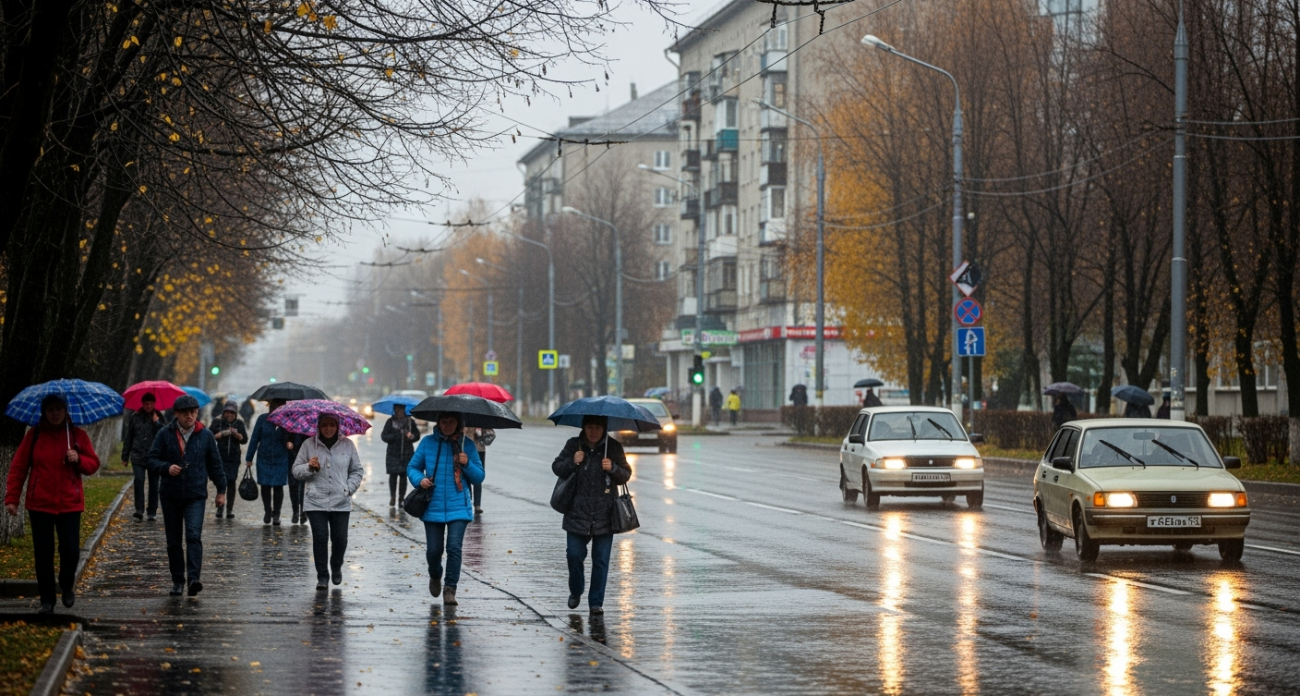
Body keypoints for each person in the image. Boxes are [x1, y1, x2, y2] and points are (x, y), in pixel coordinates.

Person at [4, 395, 101, 614]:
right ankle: (46, 600)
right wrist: (12, 499)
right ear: (43, 412)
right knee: (43, 553)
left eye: (59, 409)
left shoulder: (77, 436)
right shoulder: (34, 436)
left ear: (66, 411)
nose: (55, 413)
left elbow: (93, 464)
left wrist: (79, 459)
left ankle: (67, 585)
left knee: (70, 550)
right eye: (50, 410)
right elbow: (18, 468)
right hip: (40, 504)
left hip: (70, 504)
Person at [146, 394, 225, 597]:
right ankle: (177, 581)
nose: (190, 416)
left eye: (193, 412)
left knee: (193, 535)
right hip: (170, 495)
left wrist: (221, 491)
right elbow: (151, 459)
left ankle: (193, 579)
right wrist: (166, 467)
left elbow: (215, 465)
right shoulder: (165, 434)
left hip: (196, 494)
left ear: (197, 413)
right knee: (173, 540)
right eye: (185, 413)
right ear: (177, 414)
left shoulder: (205, 435)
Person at [551, 415, 631, 615]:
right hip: (577, 513)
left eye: (597, 427)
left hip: (605, 513)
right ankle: (576, 590)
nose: (593, 431)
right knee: (574, 555)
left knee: (601, 560)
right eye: (589, 427)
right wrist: (572, 461)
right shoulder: (573, 445)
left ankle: (596, 602)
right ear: (583, 427)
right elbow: (557, 467)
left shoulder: (613, 447)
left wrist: (612, 467)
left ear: (604, 429)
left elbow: (626, 474)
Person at [408, 413, 483, 606]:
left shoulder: (468, 446)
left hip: (459, 506)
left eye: (451, 422)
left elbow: (479, 478)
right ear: (438, 423)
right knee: (434, 551)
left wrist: (466, 464)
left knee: (454, 548)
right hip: (432, 505)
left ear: (458, 423)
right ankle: (435, 575)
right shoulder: (427, 443)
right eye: (444, 422)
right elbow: (413, 467)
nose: (447, 425)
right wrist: (420, 480)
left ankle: (450, 588)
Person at [293, 414, 364, 590]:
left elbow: (357, 470)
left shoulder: (347, 445)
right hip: (315, 500)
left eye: (332, 425)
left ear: (338, 426)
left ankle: (336, 565)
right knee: (320, 538)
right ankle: (322, 576)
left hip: (340, 501)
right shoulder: (309, 445)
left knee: (340, 539)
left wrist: (348, 488)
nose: (328, 429)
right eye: (325, 425)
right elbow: (296, 471)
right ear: (319, 426)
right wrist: (309, 467)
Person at [244, 399, 294, 525]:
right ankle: (267, 511)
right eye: (274, 406)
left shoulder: (287, 421)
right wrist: (249, 458)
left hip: (281, 457)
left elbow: (293, 436)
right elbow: (255, 438)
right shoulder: (262, 419)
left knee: (278, 486)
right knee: (265, 486)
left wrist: (290, 442)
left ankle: (276, 514)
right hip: (264, 458)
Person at [122, 392, 165, 521]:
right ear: (142, 404)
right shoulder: (135, 417)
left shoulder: (159, 416)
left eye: (151, 404)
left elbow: (165, 433)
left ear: (154, 404)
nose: (148, 406)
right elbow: (129, 437)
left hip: (154, 456)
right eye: (146, 404)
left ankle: (152, 511)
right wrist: (125, 455)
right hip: (137, 454)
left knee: (154, 484)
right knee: (139, 480)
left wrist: (157, 423)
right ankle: (139, 510)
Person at [210, 400, 247, 519]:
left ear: (235, 413)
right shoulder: (217, 421)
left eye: (232, 412)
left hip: (234, 458)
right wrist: (223, 434)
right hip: (220, 457)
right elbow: (210, 436)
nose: (229, 415)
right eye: (227, 412)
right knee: (221, 482)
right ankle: (220, 508)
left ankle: (229, 509)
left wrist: (237, 435)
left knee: (231, 482)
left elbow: (244, 439)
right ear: (224, 412)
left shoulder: (239, 423)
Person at [380, 404, 421, 507]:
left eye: (401, 410)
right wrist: (395, 436)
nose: (399, 412)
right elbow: (384, 436)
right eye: (397, 410)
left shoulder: (410, 422)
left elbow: (417, 435)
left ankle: (401, 498)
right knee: (393, 475)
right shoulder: (390, 422)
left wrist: (411, 436)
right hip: (393, 453)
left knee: (403, 476)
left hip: (406, 453)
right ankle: (392, 497)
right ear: (394, 410)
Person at [467, 426, 494, 516]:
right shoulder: (462, 416)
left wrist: (481, 430)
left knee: (478, 476)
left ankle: (477, 505)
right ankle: (468, 502)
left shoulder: (480, 417)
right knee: (466, 476)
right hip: (466, 448)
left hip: (479, 448)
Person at [285, 429, 309, 524]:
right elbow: (284, 437)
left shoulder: (309, 426)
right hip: (292, 458)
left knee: (303, 487)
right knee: (293, 486)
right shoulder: (290, 426)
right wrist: (287, 442)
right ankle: (295, 511)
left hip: (305, 459)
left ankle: (303, 512)